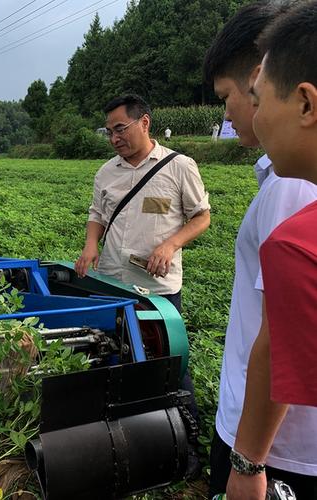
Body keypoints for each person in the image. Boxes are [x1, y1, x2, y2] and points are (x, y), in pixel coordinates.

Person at [203, 2, 317, 498]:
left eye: (235, 95)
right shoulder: (283, 178)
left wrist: (249, 462)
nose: (230, 112)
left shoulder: (291, 187)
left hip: (275, 452)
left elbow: (279, 335)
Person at [74, 93, 211, 478]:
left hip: (157, 288)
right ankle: (125, 438)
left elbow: (201, 217)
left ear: (145, 123)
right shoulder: (106, 172)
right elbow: (97, 214)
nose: (114, 137)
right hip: (113, 284)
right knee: (112, 355)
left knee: (169, 364)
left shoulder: (178, 166)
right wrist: (90, 245)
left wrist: (170, 244)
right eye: (109, 131)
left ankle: (188, 448)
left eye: (121, 128)